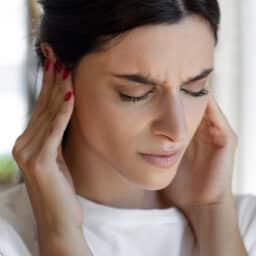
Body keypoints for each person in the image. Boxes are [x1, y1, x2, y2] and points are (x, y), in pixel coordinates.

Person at [0, 0, 256, 255]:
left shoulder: (246, 226)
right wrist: (59, 233)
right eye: (136, 93)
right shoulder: (8, 235)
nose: (176, 130)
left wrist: (214, 213)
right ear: (54, 67)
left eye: (195, 89)